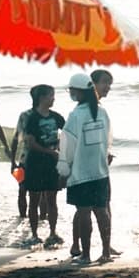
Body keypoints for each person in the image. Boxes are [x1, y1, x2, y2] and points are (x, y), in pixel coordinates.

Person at [57, 74, 113, 265]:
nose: (71, 93)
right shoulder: (102, 111)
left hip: (80, 173)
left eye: (72, 90)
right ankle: (106, 253)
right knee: (102, 211)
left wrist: (63, 170)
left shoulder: (76, 115)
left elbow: (67, 146)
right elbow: (108, 140)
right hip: (100, 171)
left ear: (79, 91)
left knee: (84, 213)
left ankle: (86, 255)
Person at [15, 85, 66, 248]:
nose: (54, 98)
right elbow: (30, 143)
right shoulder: (32, 118)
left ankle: (52, 232)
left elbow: (68, 134)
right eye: (51, 95)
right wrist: (50, 152)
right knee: (34, 199)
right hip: (35, 162)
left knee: (52, 199)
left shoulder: (57, 117)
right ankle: (35, 234)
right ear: (42, 98)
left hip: (52, 164)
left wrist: (62, 150)